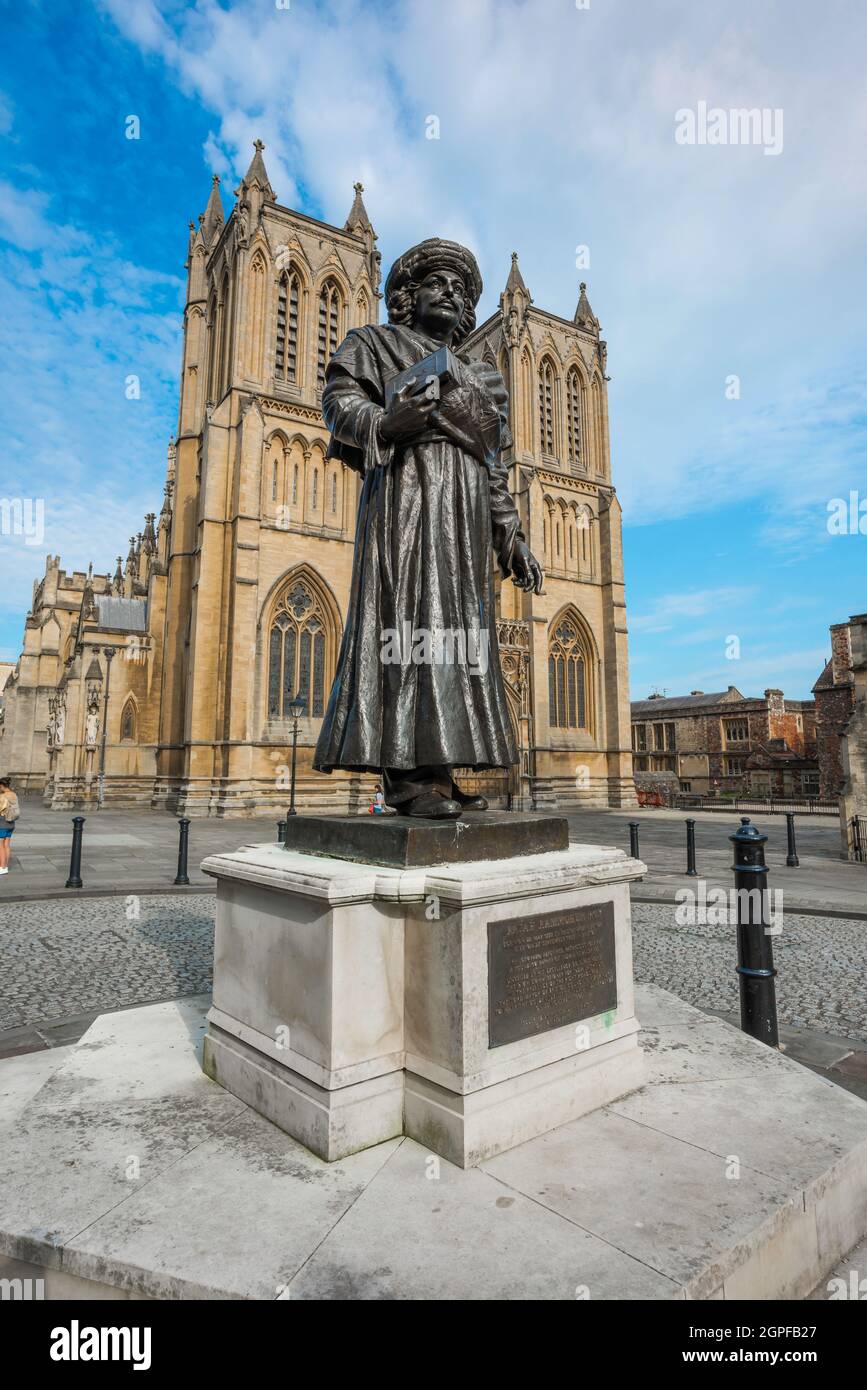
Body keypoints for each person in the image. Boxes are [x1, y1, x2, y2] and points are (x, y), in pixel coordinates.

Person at [313, 238, 543, 820]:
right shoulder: (374, 344)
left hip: (463, 523)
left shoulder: (482, 378)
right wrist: (386, 421)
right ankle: (406, 777)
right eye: (438, 282)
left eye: (461, 289)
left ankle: (441, 770)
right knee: (407, 624)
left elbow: (493, 464)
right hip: (406, 508)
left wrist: (511, 535)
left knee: (457, 633)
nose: (452, 293)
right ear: (408, 296)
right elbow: (338, 402)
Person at [0, 775, 20, 875]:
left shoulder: (3, 796)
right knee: (6, 845)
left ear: (2, 785)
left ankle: (2, 867)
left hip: (2, 822)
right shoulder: (14, 794)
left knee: (1, 846)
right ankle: (5, 866)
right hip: (11, 823)